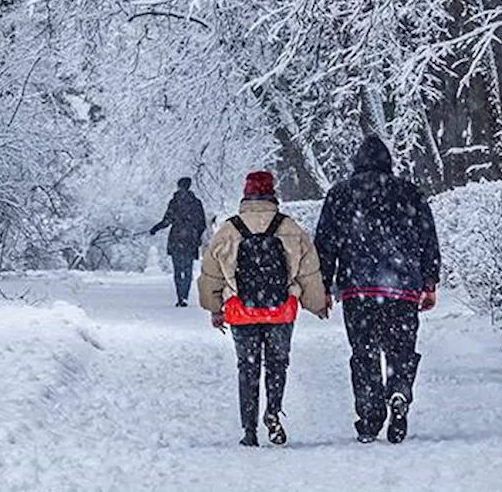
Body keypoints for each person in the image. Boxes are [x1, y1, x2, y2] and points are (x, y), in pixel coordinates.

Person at [315, 136, 440, 444]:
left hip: (358, 290)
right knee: (401, 349)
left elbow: (326, 243)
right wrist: (429, 281)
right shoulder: (409, 193)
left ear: (356, 162)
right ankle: (399, 392)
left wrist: (323, 285)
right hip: (403, 288)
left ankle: (370, 417)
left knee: (364, 353)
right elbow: (428, 238)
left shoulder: (341, 194)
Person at [197, 170, 328, 447]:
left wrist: (214, 307)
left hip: (241, 310)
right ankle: (272, 412)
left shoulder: (229, 229)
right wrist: (317, 303)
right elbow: (308, 271)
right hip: (280, 309)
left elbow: (211, 273)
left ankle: (248, 430)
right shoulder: (290, 228)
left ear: (246, 195)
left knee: (247, 367)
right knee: (277, 364)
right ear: (273, 194)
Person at [150, 177, 207, 306]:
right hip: (190, 239)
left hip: (176, 238)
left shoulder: (174, 202)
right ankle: (185, 296)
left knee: (177, 270)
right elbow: (202, 223)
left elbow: (167, 220)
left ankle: (180, 297)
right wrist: (197, 236)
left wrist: (155, 228)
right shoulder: (196, 203)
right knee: (188, 270)